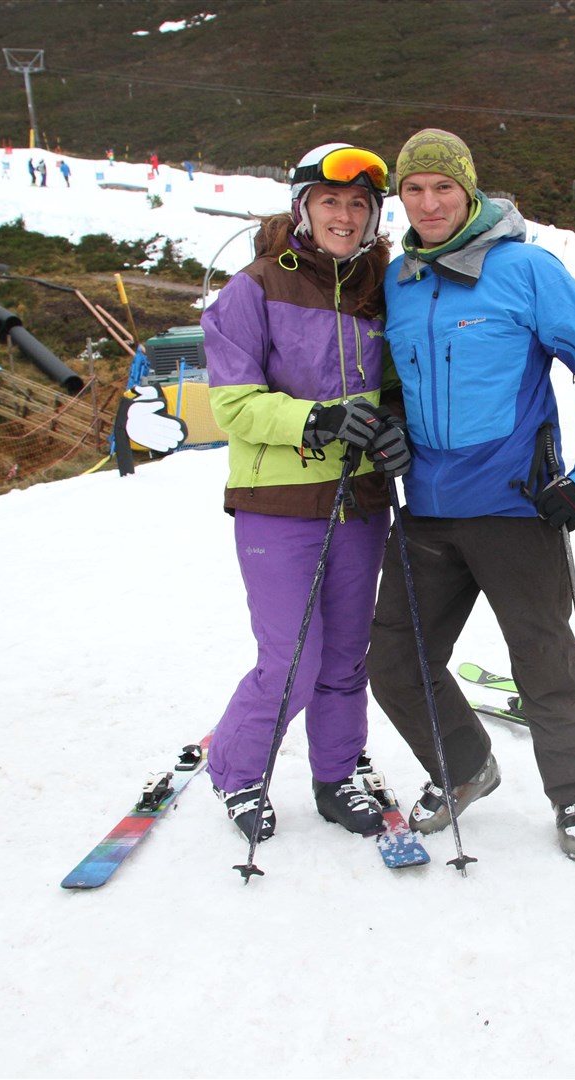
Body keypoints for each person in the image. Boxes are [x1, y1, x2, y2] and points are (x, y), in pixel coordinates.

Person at [368, 128, 575, 861]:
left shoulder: (524, 270)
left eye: (443, 187)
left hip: (516, 505)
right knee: (392, 653)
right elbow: (398, 382)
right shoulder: (399, 279)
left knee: (543, 657)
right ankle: (463, 765)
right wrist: (390, 426)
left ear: (470, 191)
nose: (428, 202)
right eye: (413, 189)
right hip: (426, 506)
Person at [199, 142, 412, 844]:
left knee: (348, 655)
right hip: (278, 505)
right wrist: (316, 419)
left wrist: (392, 428)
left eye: (359, 204)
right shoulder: (254, 288)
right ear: (303, 208)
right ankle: (236, 770)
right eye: (330, 201)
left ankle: (337, 772)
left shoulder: (381, 289)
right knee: (294, 656)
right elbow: (232, 405)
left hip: (358, 502)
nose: (344, 216)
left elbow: (389, 388)